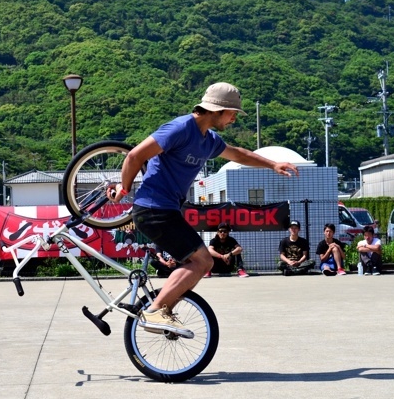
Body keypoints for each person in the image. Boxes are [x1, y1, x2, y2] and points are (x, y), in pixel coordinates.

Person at [108, 82, 298, 333]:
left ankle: (160, 311)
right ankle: (155, 311)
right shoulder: (180, 128)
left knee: (197, 263)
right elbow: (134, 156)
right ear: (217, 110)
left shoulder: (209, 141)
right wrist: (123, 189)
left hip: (165, 211)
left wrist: (272, 164)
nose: (234, 119)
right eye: (232, 113)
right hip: (154, 208)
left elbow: (238, 154)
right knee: (203, 260)